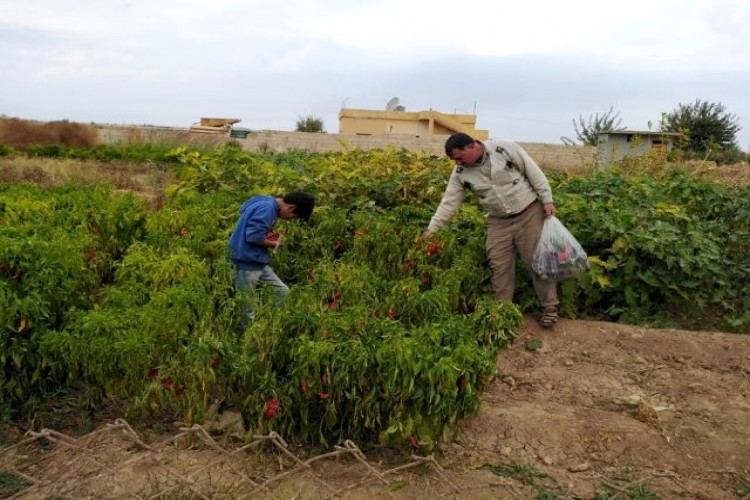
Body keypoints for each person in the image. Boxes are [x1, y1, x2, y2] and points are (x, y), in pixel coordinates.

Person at [421, 133, 559, 328]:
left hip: (529, 212)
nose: (457, 163)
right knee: (498, 265)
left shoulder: (503, 149)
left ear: (472, 146)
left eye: (459, 157)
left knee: (537, 262)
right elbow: (449, 203)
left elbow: (533, 172)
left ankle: (550, 308)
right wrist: (431, 230)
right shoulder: (461, 172)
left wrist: (547, 200)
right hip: (498, 221)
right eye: (454, 160)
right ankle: (502, 313)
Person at [229, 191, 315, 329]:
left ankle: (270, 326)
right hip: (246, 262)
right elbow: (254, 237)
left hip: (257, 261)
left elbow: (253, 230)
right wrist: (274, 244)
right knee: (247, 308)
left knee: (282, 292)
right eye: (294, 217)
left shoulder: (265, 201)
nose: (290, 219)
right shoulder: (267, 208)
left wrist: (267, 235)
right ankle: (246, 340)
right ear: (291, 208)